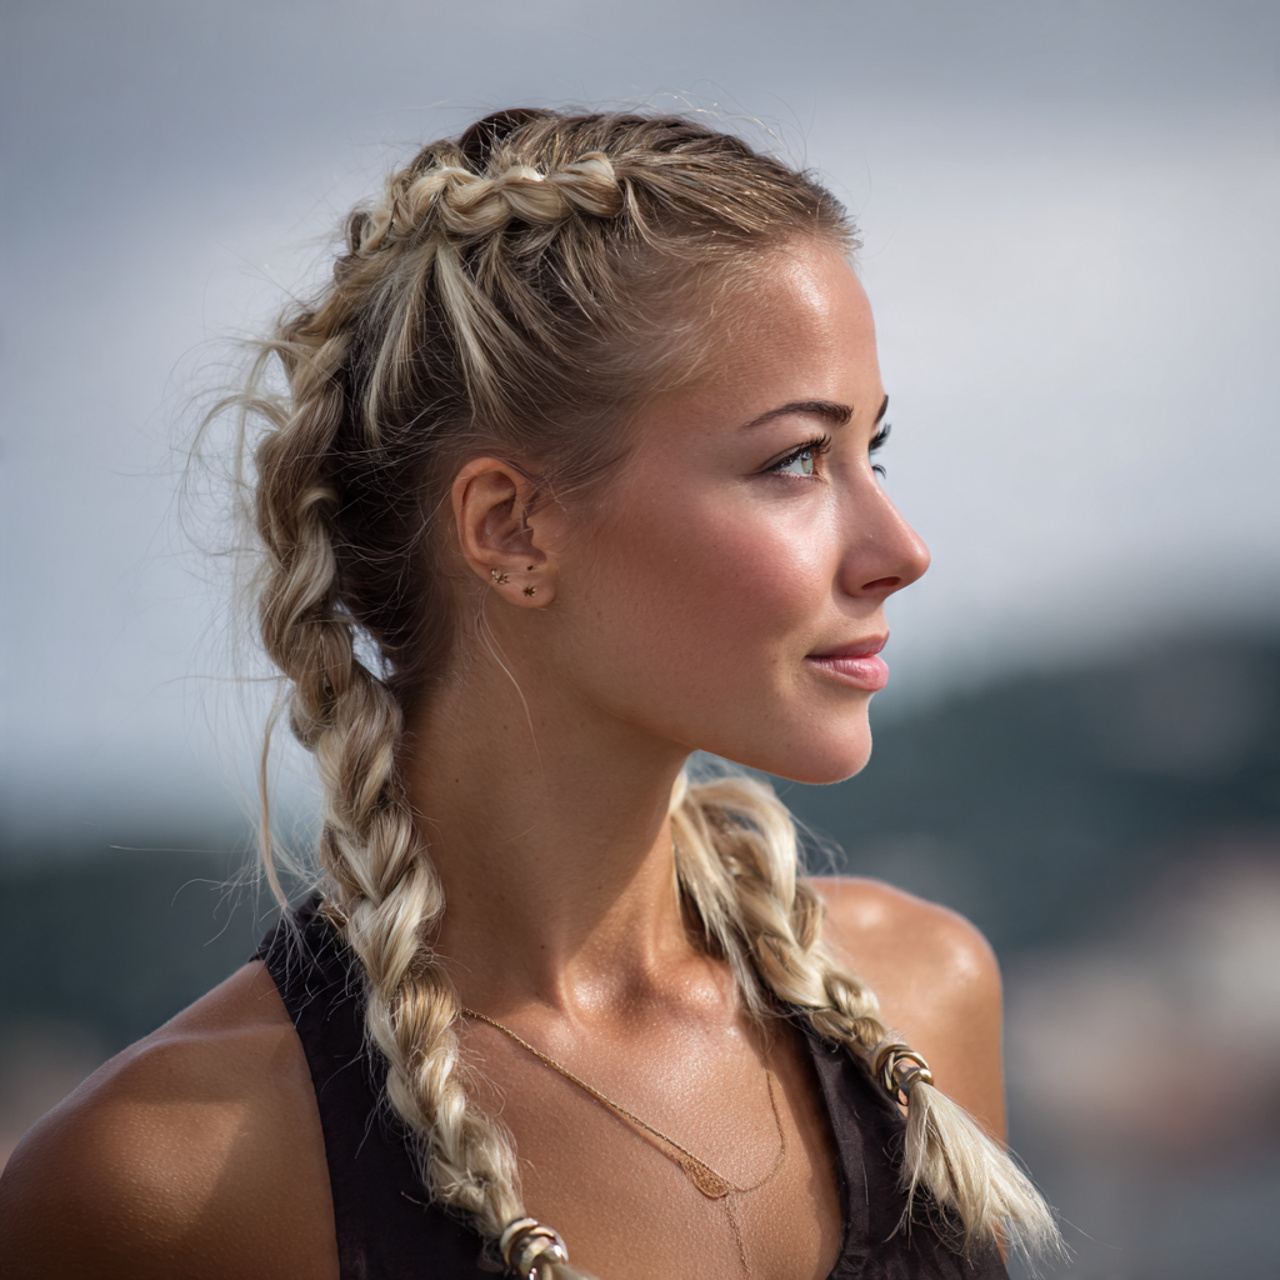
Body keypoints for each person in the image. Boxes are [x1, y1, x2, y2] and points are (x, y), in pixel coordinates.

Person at [0, 108, 1059, 1280]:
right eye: (795, 460)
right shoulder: (161, 1181)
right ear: (509, 529)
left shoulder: (918, 998)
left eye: (872, 450)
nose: (900, 548)